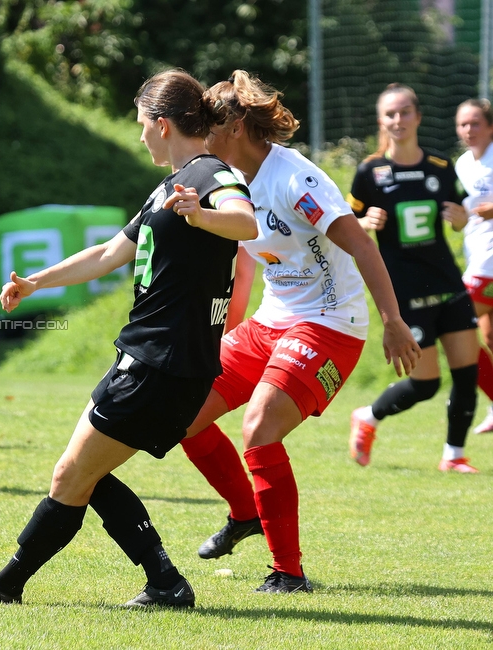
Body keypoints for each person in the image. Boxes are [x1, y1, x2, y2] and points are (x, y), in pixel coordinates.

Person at [0, 69, 257, 607]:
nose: (139, 135)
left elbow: (244, 221)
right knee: (83, 471)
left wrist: (202, 215)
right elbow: (109, 254)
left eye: (142, 124)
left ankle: (8, 586)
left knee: (72, 474)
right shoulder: (169, 186)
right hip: (164, 363)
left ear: (162, 124)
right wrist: (35, 281)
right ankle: (163, 581)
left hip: (159, 363)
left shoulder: (208, 174)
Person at [176, 71, 420, 593]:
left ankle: (288, 572)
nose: (201, 138)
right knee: (183, 413)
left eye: (209, 128)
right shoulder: (228, 179)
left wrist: (393, 322)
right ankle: (244, 513)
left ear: (236, 127)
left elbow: (362, 247)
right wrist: (227, 333)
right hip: (271, 324)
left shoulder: (296, 180)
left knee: (260, 427)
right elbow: (246, 265)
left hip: (330, 325)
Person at [348, 83, 479, 473]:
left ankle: (453, 456)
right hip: (405, 292)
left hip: (448, 285)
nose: (398, 120)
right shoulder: (369, 173)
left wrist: (461, 218)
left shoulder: (439, 167)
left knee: (466, 376)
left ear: (418, 117)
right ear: (381, 121)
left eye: (405, 112)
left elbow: (461, 215)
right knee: (425, 384)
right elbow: (344, 226)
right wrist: (362, 222)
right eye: (390, 114)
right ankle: (368, 416)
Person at [453, 99, 493, 434]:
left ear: (490, 126)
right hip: (475, 256)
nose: (469, 130)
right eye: (463, 124)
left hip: (488, 262)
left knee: (458, 324)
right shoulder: (463, 165)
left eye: (476, 123)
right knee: (487, 335)